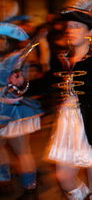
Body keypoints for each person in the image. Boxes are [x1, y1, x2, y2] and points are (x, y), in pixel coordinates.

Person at [34, 0, 92, 200]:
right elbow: (46, 82)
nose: (70, 31)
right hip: (67, 124)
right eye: (69, 27)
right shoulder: (62, 59)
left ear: (89, 33)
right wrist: (22, 85)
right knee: (64, 176)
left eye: (76, 27)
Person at [0, 20, 43, 198]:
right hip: (8, 106)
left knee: (22, 151)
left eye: (1, 39)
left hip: (11, 109)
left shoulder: (14, 59)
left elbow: (17, 86)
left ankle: (28, 189)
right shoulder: (14, 57)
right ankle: (6, 182)